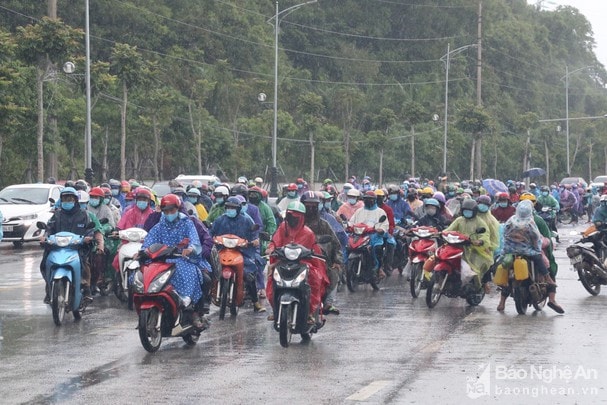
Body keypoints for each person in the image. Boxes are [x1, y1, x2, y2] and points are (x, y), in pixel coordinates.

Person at [139, 194, 207, 329]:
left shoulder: (187, 223)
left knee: (190, 272)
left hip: (183, 258)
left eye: (172, 211)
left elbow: (194, 239)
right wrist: (142, 252)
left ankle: (190, 308)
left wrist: (190, 248)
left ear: (178, 209)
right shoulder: (159, 226)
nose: (169, 214)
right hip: (163, 260)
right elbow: (149, 240)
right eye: (166, 211)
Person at [265, 201, 328, 322]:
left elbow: (314, 251)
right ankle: (276, 309)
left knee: (314, 279)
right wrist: (271, 249)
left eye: (296, 216)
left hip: (304, 263)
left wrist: (313, 255)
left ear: (302, 218)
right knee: (271, 276)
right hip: (283, 261)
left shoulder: (308, 233)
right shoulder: (283, 227)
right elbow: (275, 241)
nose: (292, 219)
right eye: (290, 215)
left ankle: (310, 312)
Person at [497, 199, 563, 313]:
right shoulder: (532, 222)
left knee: (507, 272)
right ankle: (548, 280)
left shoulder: (511, 220)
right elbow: (537, 238)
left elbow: (504, 235)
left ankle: (501, 302)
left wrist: (505, 250)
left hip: (510, 251)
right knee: (543, 262)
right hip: (527, 251)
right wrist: (537, 250)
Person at [40, 187, 97, 303]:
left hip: (76, 247)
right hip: (57, 247)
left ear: (75, 200)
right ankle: (48, 288)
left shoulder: (83, 215)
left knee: (84, 263)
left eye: (70, 199)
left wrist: (88, 238)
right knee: (45, 262)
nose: (67, 201)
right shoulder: (56, 215)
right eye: (65, 199)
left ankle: (86, 289)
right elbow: (49, 228)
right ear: (61, 200)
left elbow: (89, 229)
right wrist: (45, 237)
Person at [210, 196, 265, 312]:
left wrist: (254, 241)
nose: (230, 209)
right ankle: (207, 298)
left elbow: (254, 234)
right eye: (228, 207)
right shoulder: (220, 220)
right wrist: (211, 239)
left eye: (233, 208)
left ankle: (255, 302)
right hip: (222, 250)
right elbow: (211, 233)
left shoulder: (246, 220)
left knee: (249, 275)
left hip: (243, 252)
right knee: (209, 271)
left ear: (239, 209)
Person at [300, 191, 343, 315]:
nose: (311, 209)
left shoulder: (324, 225)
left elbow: (336, 244)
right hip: (297, 259)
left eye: (314, 206)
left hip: (320, 262)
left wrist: (337, 261)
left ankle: (328, 302)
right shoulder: (294, 223)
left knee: (334, 272)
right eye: (307, 205)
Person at [444, 198, 493, 290]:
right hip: (457, 245)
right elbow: (449, 229)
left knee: (474, 269)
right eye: (465, 211)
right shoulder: (459, 220)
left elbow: (485, 234)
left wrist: (480, 241)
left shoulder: (479, 222)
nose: (467, 213)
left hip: (473, 249)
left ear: (474, 211)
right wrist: (442, 233)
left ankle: (479, 285)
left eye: (469, 211)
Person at [349, 191, 390, 279]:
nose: (367, 201)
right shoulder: (359, 211)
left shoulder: (380, 212)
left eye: (370, 199)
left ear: (374, 200)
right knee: (347, 246)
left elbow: (384, 225)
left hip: (374, 236)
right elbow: (352, 222)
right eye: (366, 199)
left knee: (375, 249)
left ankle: (378, 268)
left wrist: (380, 229)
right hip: (359, 236)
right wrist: (348, 226)